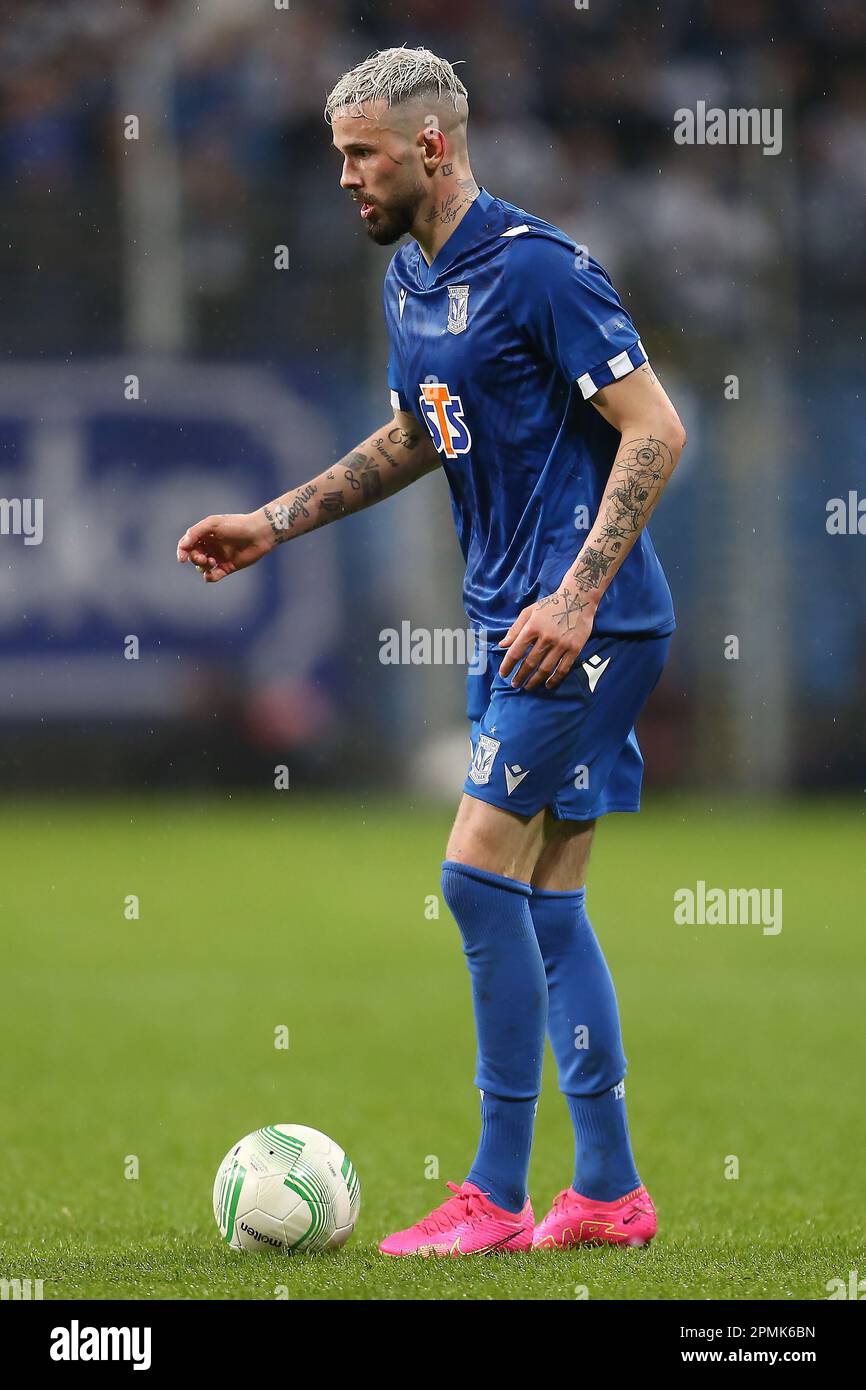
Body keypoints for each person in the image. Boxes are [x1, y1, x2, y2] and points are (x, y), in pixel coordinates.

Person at [177, 46, 686, 1257]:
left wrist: (572, 597)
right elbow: (420, 432)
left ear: (432, 146)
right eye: (339, 154)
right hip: (508, 617)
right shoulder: (412, 281)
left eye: (362, 154)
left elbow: (652, 429)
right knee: (548, 905)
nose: (345, 176)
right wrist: (276, 519)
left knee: (472, 873)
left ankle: (494, 1197)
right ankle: (607, 1195)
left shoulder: (539, 271)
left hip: (585, 625)